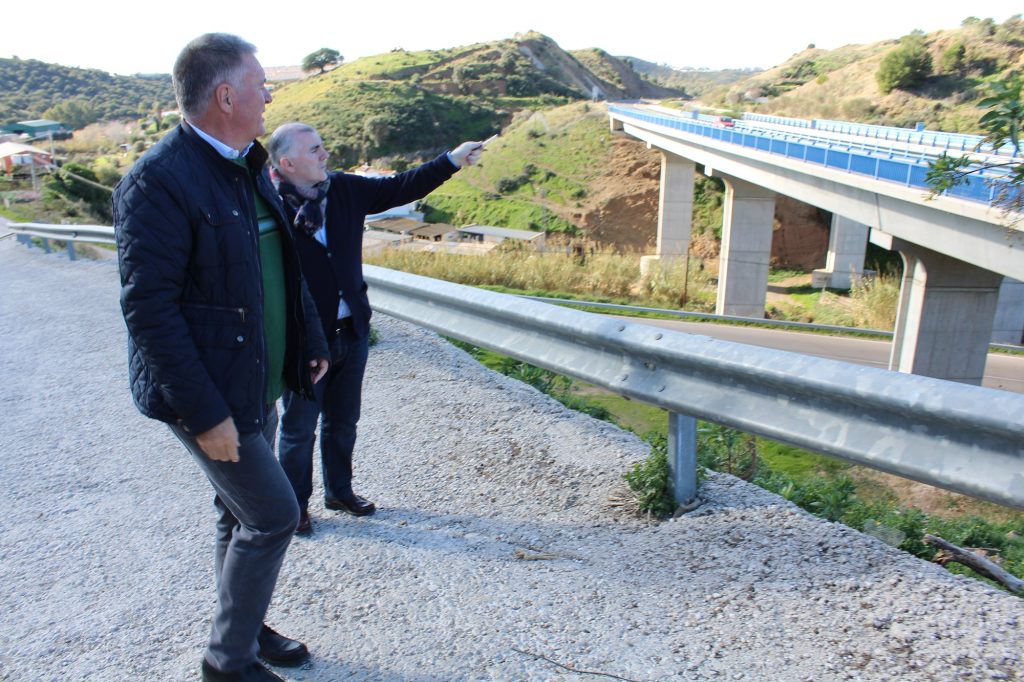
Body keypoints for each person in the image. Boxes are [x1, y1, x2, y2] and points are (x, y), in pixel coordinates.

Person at [113, 34, 329, 682]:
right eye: (261, 86)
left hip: (255, 377)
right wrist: (205, 414)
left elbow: (278, 263)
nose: (269, 97)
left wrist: (310, 340)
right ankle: (226, 663)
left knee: (235, 513)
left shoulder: (245, 166)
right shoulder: (158, 181)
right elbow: (149, 311)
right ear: (227, 96)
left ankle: (246, 628)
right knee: (273, 514)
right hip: (210, 391)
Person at [266, 122, 485, 534]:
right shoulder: (267, 207)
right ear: (287, 162)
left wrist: (452, 160)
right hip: (305, 338)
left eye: (323, 146)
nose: (325, 155)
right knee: (299, 428)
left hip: (351, 329)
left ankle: (339, 492)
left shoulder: (344, 189)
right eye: (314, 150)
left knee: (344, 420)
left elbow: (400, 187)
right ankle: (294, 506)